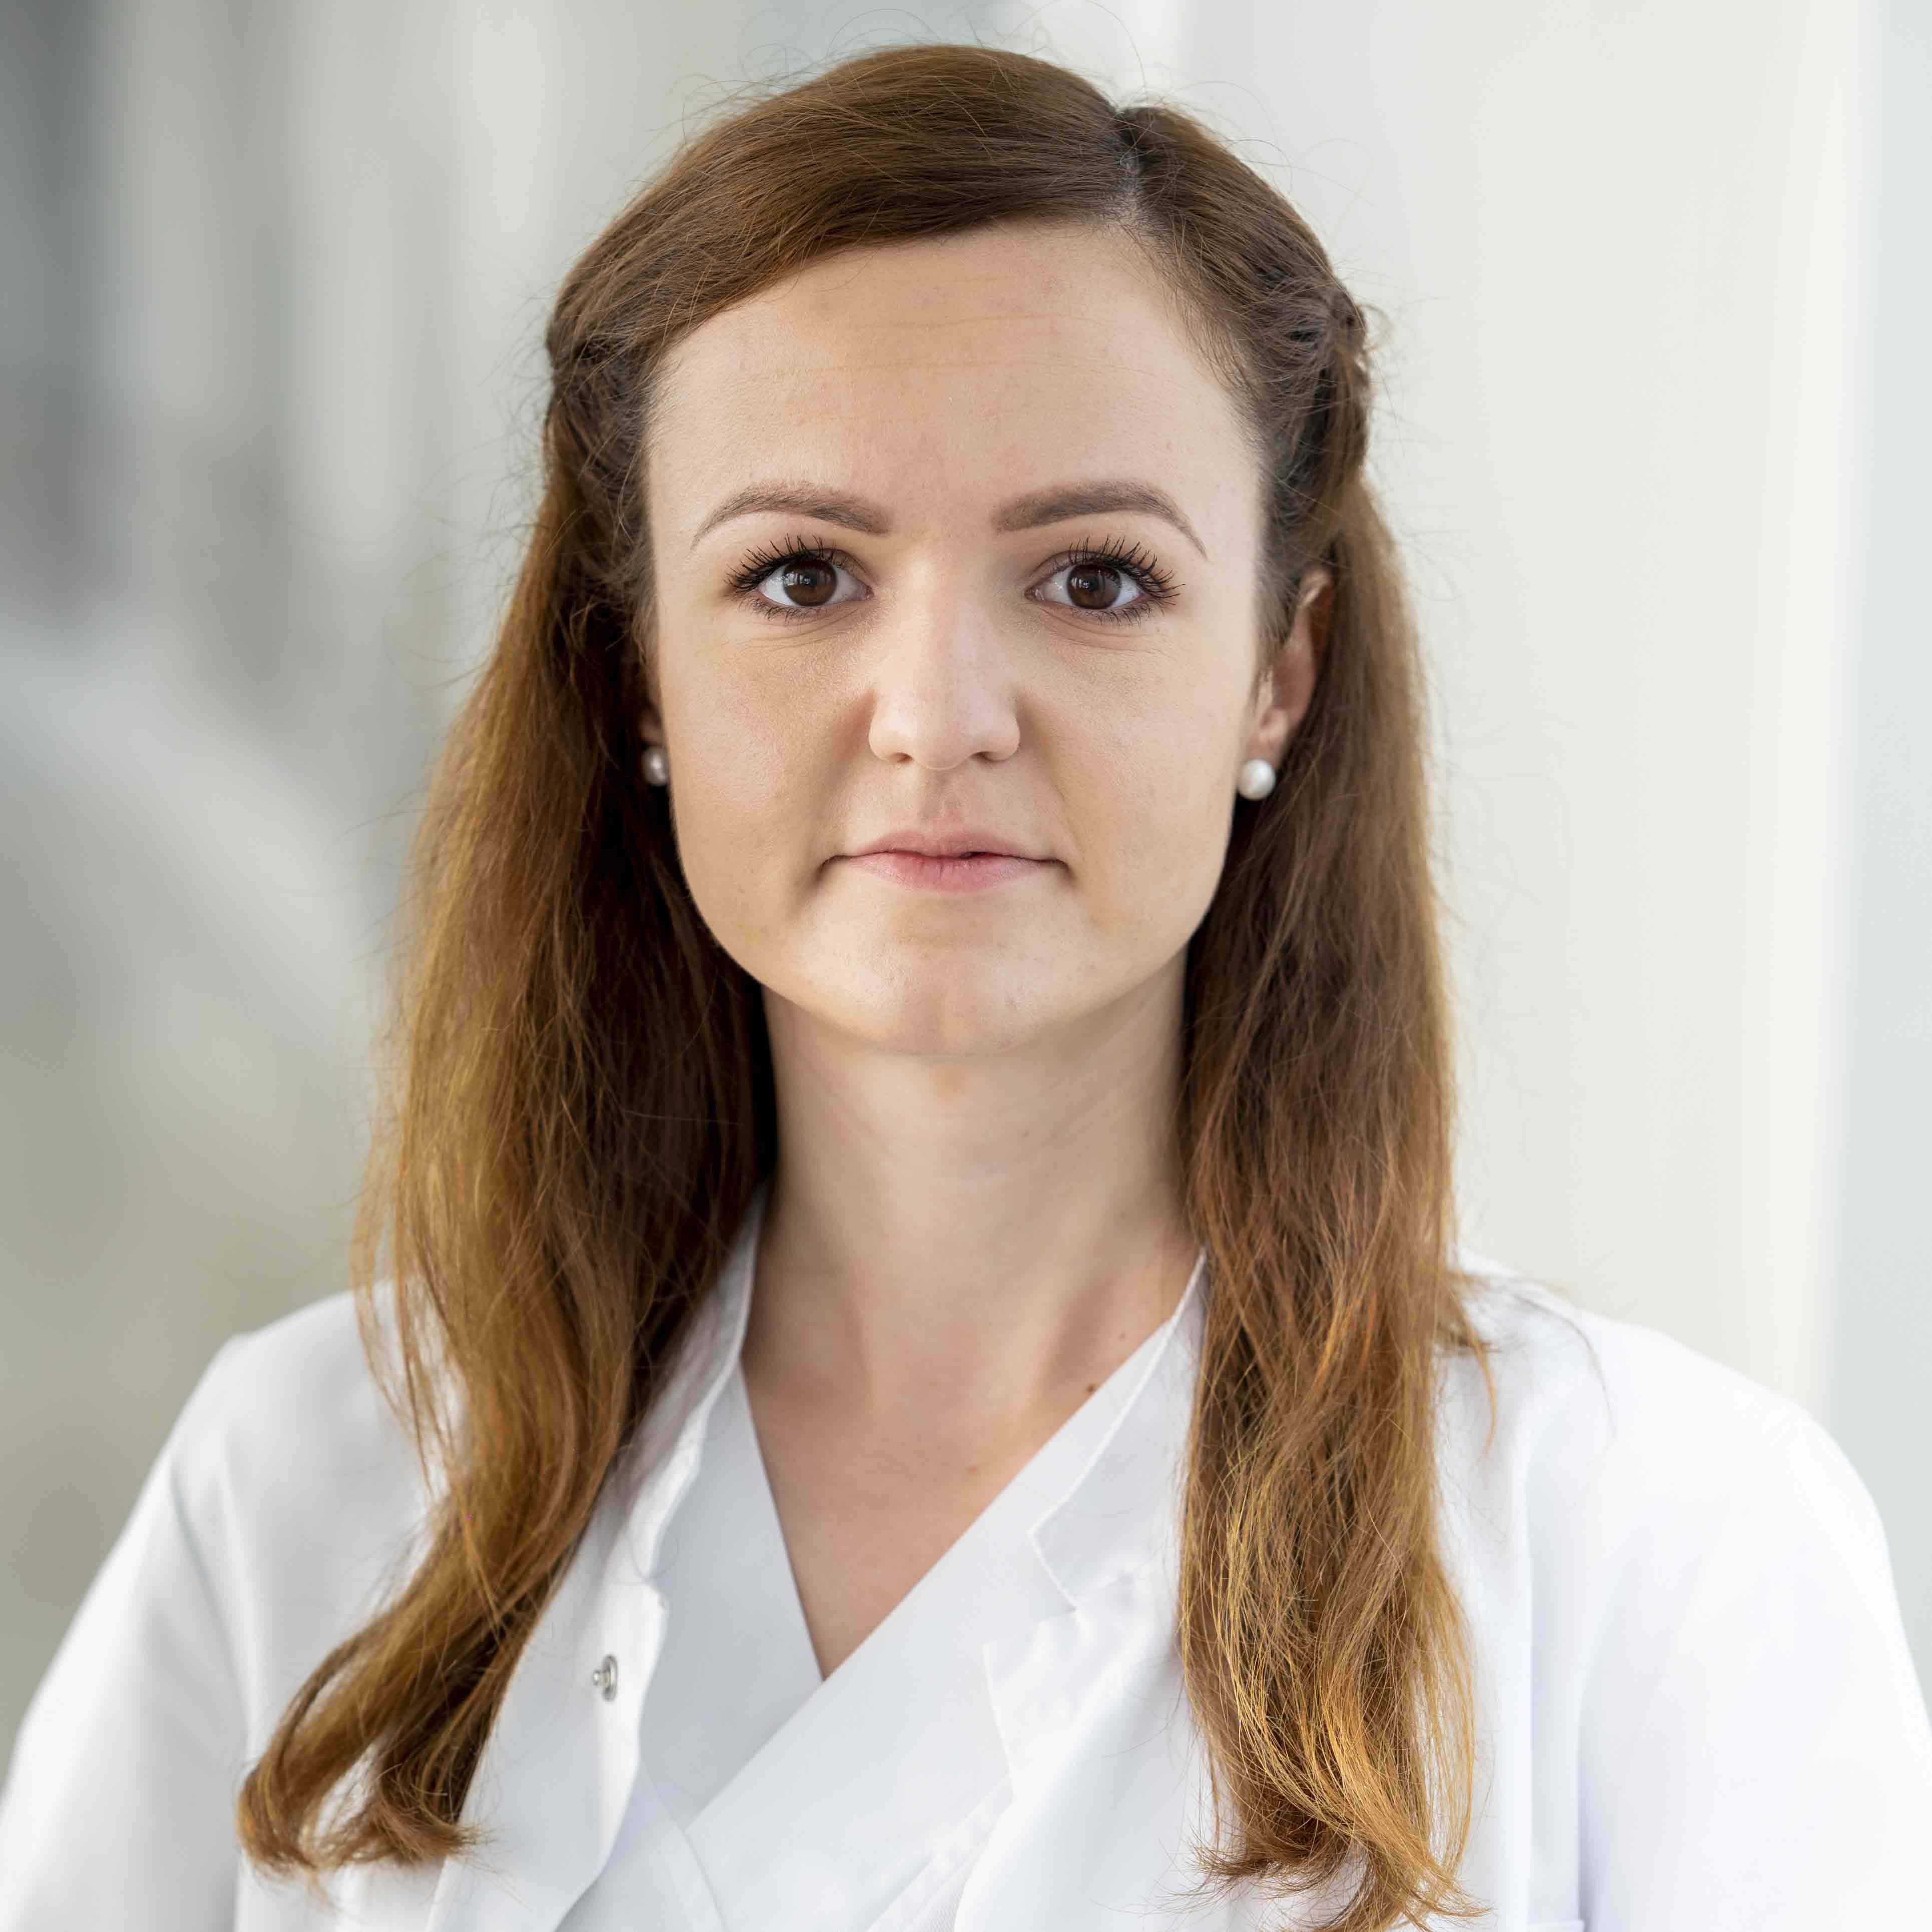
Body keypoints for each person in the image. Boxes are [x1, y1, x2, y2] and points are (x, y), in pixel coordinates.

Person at [2, 39, 1927, 1932]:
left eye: (1092, 580)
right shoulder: (305, 1480)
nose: (935, 717)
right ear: (636, 675)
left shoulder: (1658, 1548)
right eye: (800, 576)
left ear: (1279, 671)